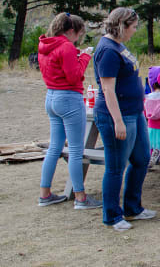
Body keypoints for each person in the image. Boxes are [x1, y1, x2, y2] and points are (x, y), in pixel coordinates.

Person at [93, 7, 155, 231]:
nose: (135, 31)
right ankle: (112, 215)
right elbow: (108, 89)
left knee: (141, 158)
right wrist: (118, 121)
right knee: (116, 166)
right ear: (122, 25)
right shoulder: (107, 50)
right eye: (134, 27)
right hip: (117, 116)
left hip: (135, 112)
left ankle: (133, 207)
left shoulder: (119, 46)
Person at [36, 12, 102, 209]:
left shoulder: (46, 46)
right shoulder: (65, 47)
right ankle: (81, 197)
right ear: (71, 31)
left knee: (55, 147)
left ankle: (44, 193)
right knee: (75, 149)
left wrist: (77, 56)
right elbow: (74, 76)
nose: (78, 39)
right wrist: (84, 57)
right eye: (79, 35)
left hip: (52, 97)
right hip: (69, 98)